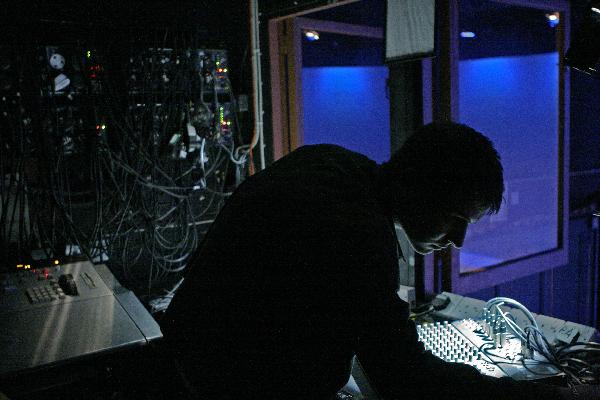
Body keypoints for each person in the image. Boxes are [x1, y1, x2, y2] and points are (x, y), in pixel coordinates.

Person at [160, 122, 598, 399]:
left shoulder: (327, 160)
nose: (458, 240)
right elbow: (405, 378)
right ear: (422, 186)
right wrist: (545, 397)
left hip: (187, 361)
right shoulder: (359, 231)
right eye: (456, 219)